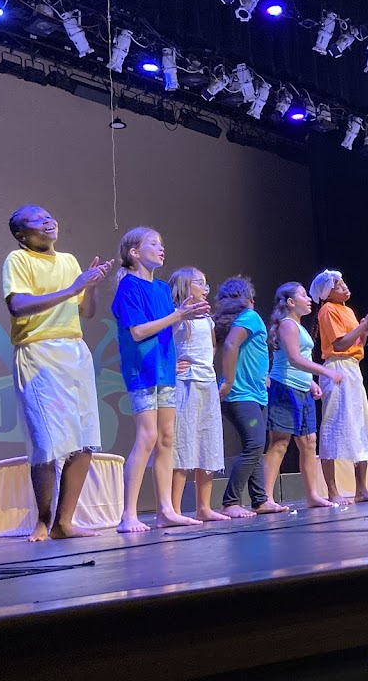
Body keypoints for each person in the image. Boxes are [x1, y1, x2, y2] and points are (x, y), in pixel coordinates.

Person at [2, 205, 113, 541]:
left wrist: (90, 286)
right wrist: (72, 288)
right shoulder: (18, 259)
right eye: (36, 220)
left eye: (48, 216)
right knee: (47, 442)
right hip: (39, 352)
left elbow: (86, 311)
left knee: (84, 440)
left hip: (74, 351)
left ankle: (64, 522)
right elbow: (17, 306)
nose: (47, 221)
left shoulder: (68, 261)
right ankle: (43, 520)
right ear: (21, 234)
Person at [112, 227, 206, 533]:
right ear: (134, 253)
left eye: (161, 243)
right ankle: (128, 514)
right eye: (153, 243)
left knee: (166, 437)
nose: (161, 248)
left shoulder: (163, 289)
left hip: (165, 368)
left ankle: (166, 510)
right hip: (142, 370)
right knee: (147, 436)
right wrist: (178, 316)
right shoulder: (129, 286)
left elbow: (165, 327)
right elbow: (139, 331)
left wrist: (183, 317)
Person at [262, 282, 343, 509]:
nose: (308, 299)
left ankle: (312, 495)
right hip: (284, 387)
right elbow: (294, 359)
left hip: (301, 388)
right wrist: (325, 372)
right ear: (290, 302)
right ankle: (266, 497)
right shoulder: (287, 324)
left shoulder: (299, 326)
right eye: (303, 295)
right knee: (279, 442)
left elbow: (301, 361)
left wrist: (310, 383)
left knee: (309, 442)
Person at [310, 269, 368, 504]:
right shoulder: (327, 309)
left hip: (353, 368)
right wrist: (364, 326)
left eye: (343, 283)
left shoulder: (347, 310)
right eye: (338, 285)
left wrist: (367, 327)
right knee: (333, 426)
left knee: (361, 425)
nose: (344, 287)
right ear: (327, 293)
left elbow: (356, 341)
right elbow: (340, 345)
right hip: (337, 367)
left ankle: (361, 489)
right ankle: (332, 491)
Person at [215, 276, 288, 517]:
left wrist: (263, 374)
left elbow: (250, 352)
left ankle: (260, 500)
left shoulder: (237, 320)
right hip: (241, 394)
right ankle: (230, 501)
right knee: (255, 444)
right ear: (249, 299)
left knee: (255, 446)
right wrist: (228, 381)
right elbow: (231, 346)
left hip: (254, 394)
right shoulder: (250, 316)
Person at [168, 267, 228, 522]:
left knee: (207, 442)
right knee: (182, 444)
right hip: (186, 384)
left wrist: (206, 364)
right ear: (185, 286)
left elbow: (212, 345)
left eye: (206, 283)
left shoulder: (206, 318)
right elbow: (162, 343)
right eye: (199, 283)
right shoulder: (175, 316)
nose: (205, 288)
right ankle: (174, 509)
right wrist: (173, 364)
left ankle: (204, 506)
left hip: (207, 383)